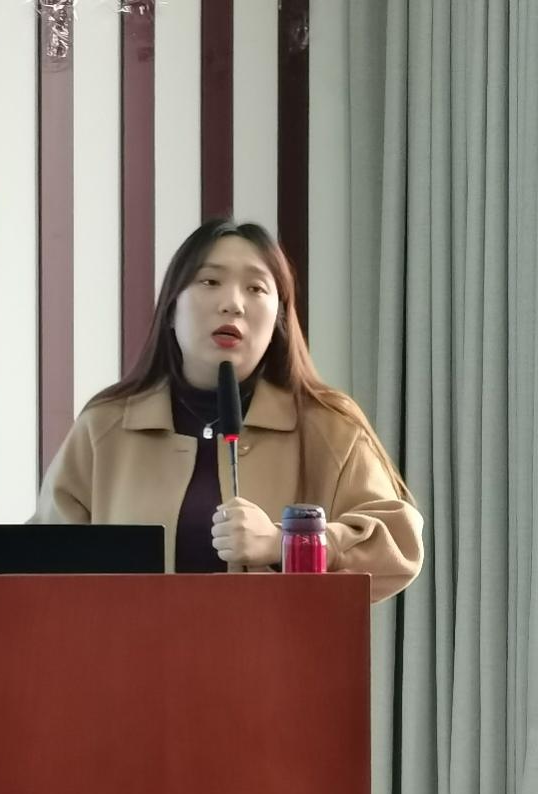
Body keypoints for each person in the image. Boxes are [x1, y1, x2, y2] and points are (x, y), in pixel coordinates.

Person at [31, 217, 424, 602]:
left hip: (275, 649)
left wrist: (284, 544)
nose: (233, 304)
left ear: (279, 319)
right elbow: (38, 565)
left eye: (256, 288)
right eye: (210, 281)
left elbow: (400, 546)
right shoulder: (105, 427)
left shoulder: (328, 426)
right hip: (131, 648)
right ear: (171, 309)